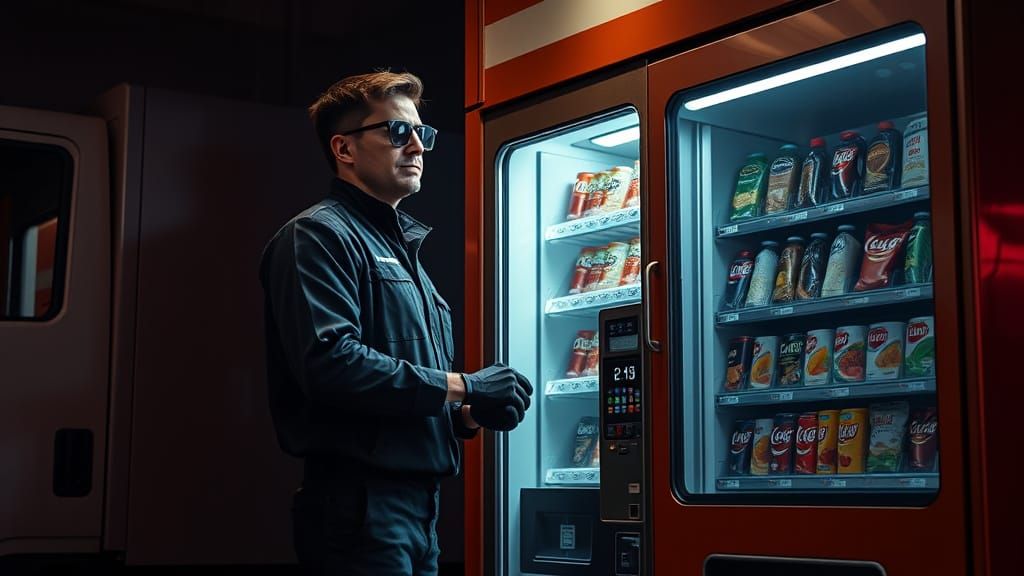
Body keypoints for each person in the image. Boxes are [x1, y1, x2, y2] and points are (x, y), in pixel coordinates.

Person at [259, 71, 533, 575]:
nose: (418, 148)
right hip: (359, 508)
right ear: (344, 149)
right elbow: (331, 364)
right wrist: (465, 384)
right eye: (397, 132)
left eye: (421, 135)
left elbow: (392, 403)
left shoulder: (398, 249)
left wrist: (470, 414)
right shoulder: (318, 237)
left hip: (417, 511)